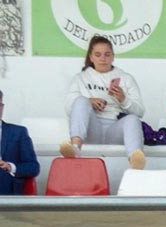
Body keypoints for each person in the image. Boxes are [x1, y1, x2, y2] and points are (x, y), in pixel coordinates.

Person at [61, 35, 146, 168]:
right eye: (98, 54)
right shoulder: (80, 78)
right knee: (81, 101)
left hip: (115, 128)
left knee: (132, 119)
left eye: (107, 54)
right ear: (91, 57)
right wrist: (89, 101)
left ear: (113, 56)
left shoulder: (125, 78)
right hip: (91, 129)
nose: (103, 58)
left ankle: (135, 161)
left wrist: (123, 99)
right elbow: (68, 108)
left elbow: (140, 112)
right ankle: (75, 148)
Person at [0, 91, 40, 195]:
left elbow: (33, 167)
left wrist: (10, 167)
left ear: (2, 107)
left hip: (6, 189)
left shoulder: (18, 132)